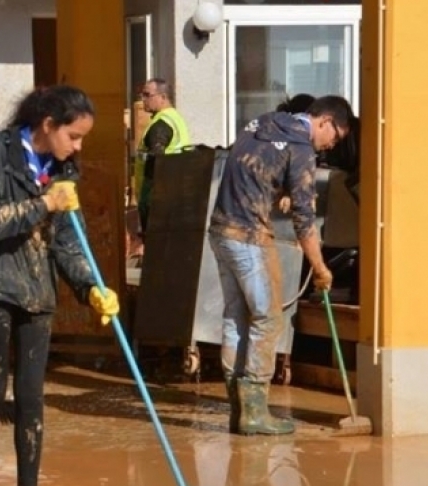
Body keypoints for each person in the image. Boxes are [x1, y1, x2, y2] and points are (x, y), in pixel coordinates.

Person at [0, 85, 120, 486]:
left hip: (37, 293)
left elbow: (68, 241)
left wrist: (91, 287)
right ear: (48, 124)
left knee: (32, 398)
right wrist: (44, 203)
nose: (78, 146)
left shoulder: (64, 170)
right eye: (74, 135)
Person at [209, 95, 353, 435]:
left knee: (235, 316)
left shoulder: (262, 122)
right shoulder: (301, 148)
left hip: (220, 231)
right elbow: (305, 221)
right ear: (325, 121)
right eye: (335, 137)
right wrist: (320, 268)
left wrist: (282, 189)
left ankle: (238, 410)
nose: (330, 146)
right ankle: (255, 413)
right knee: (268, 318)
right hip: (249, 236)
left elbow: (252, 169)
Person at [133, 78, 191, 234]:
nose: (143, 99)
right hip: (175, 193)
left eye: (147, 95)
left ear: (163, 97)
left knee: (155, 242)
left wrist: (152, 200)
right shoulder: (175, 119)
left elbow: (157, 161)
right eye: (142, 95)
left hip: (156, 196)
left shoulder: (161, 125)